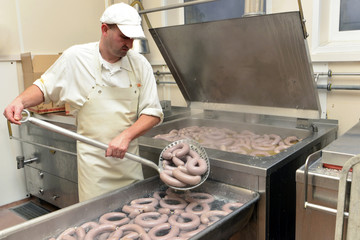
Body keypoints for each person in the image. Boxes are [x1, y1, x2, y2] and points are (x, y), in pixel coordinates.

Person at [3, 3, 164, 202]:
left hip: (129, 164)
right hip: (94, 171)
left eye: (132, 38)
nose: (129, 44)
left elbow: (153, 112)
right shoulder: (76, 58)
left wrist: (126, 135)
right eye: (123, 37)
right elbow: (45, 88)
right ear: (105, 29)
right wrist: (20, 101)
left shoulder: (140, 65)